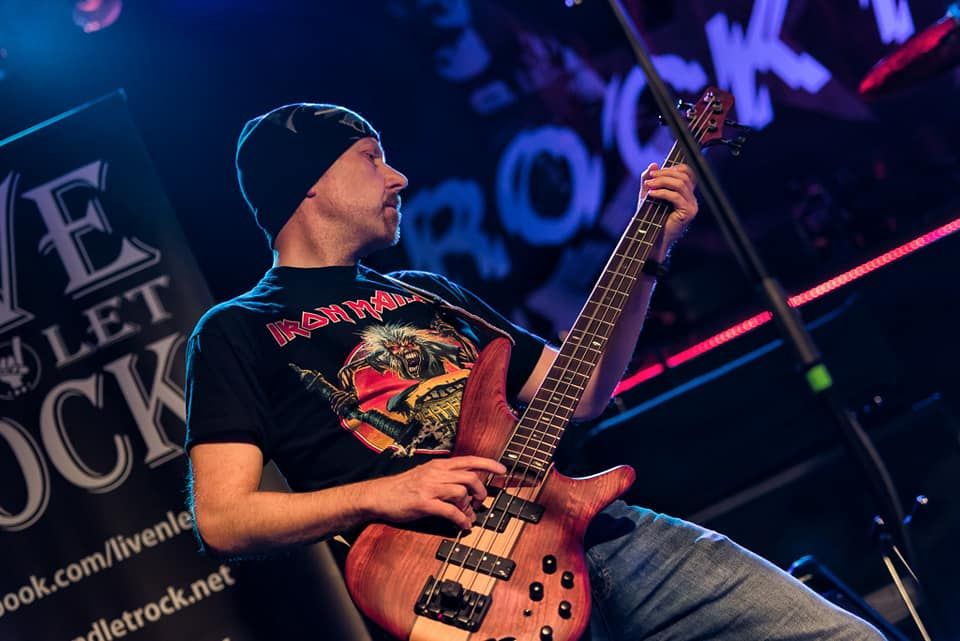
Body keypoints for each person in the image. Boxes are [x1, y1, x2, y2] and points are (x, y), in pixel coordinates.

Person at [185, 103, 885, 640]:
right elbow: (224, 517)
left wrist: (648, 252)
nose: (398, 177)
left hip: (596, 531)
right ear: (307, 184)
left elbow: (584, 391)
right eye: (372, 158)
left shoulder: (429, 292)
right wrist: (388, 492)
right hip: (461, 584)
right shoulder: (237, 329)